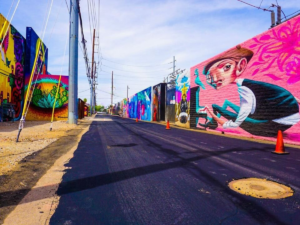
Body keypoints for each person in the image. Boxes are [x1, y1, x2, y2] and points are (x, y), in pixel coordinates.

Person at [199, 45, 300, 137]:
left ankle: (212, 122)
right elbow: (286, 94)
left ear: (241, 66)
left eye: (227, 67)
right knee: (226, 104)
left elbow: (235, 124)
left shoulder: (245, 89)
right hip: (284, 117)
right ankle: (212, 122)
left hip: (277, 122)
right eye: (209, 77)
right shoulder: (251, 83)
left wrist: (209, 111)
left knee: (217, 107)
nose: (215, 79)